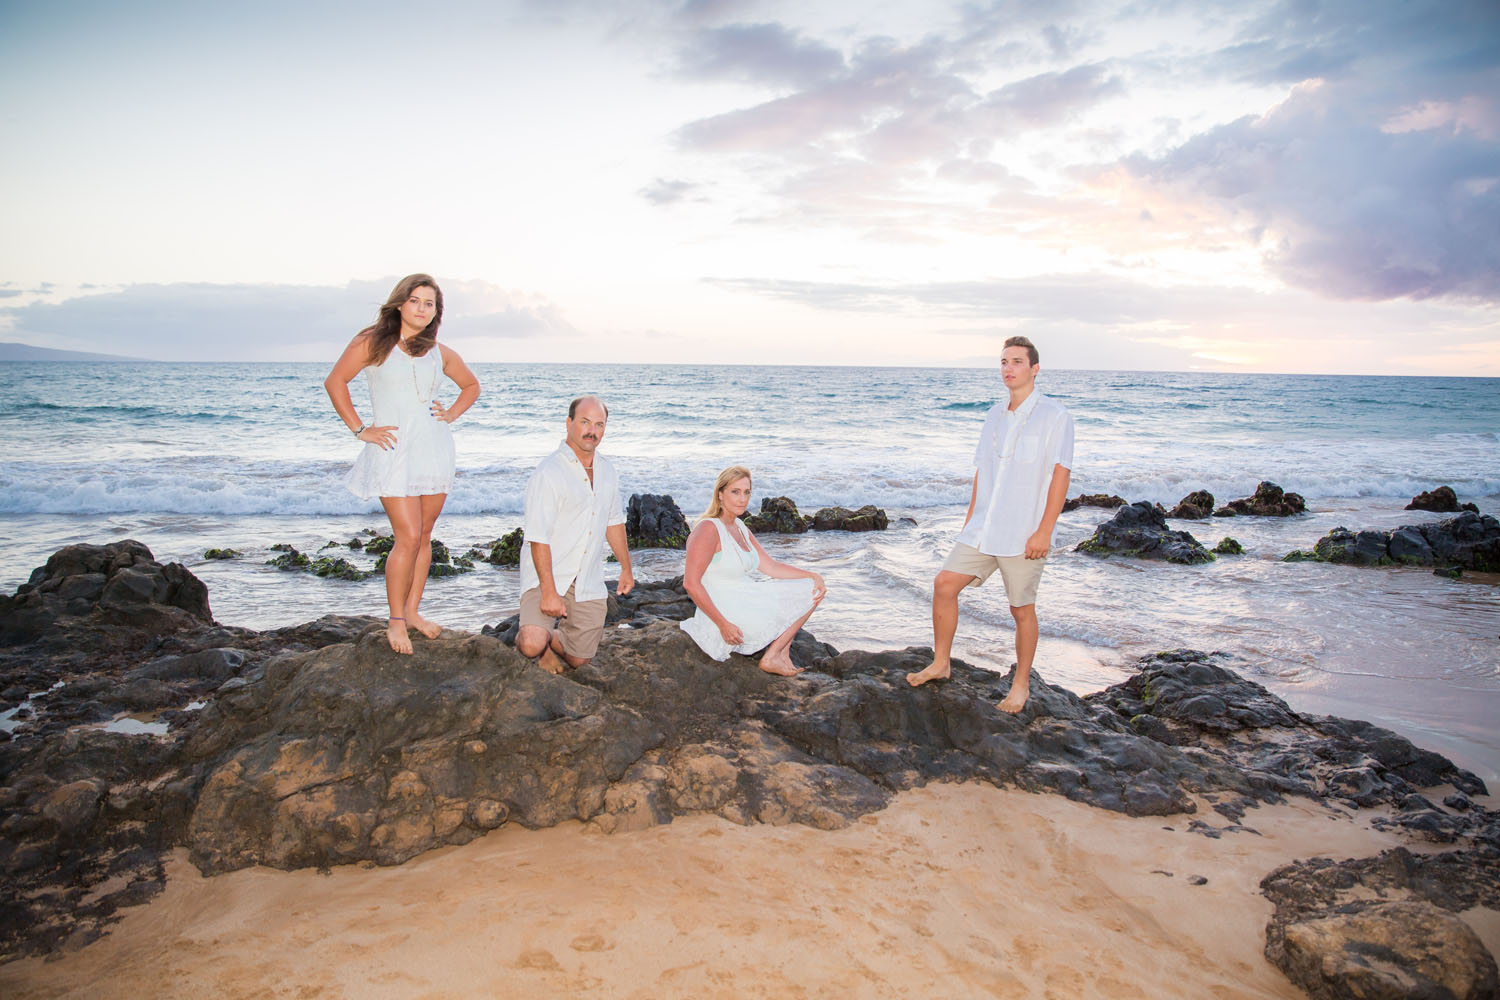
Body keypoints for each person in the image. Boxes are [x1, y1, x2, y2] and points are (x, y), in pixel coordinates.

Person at [906, 335, 1073, 712]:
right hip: (983, 527)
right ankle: (941, 662)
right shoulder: (994, 414)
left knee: (1020, 609)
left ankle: (1021, 684)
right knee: (944, 584)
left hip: (1024, 530)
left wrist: (1045, 530)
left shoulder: (1056, 416)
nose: (1008, 369)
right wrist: (969, 521)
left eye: (1016, 362)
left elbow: (1060, 475)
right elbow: (983, 470)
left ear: (1034, 369)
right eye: (1003, 362)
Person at [325, 274, 480, 655]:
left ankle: (412, 611)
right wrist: (361, 429)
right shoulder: (372, 342)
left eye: (430, 304)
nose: (422, 309)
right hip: (393, 450)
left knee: (424, 536)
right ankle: (395, 620)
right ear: (399, 303)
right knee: (407, 538)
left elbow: (472, 386)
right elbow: (335, 382)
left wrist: (451, 415)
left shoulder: (439, 352)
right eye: (415, 300)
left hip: (434, 450)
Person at [516, 396, 634, 674]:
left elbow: (614, 522)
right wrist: (548, 592)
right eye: (584, 422)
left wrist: (626, 569)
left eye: (599, 424)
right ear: (568, 424)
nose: (592, 431)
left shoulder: (607, 471)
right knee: (532, 644)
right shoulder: (550, 472)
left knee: (580, 660)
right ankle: (540, 646)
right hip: (547, 574)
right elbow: (538, 536)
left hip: (587, 578)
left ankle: (553, 638)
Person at [680, 465, 827, 676]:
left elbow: (770, 566)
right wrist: (723, 624)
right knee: (801, 596)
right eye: (735, 491)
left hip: (746, 597)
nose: (742, 499)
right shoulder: (708, 529)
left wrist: (812, 575)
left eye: (746, 492)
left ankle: (781, 654)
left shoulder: (740, 526)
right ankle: (772, 656)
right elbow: (690, 583)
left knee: (812, 588)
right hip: (724, 610)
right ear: (720, 494)